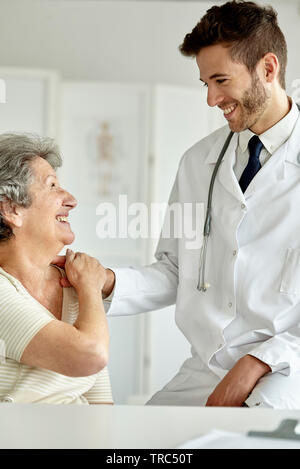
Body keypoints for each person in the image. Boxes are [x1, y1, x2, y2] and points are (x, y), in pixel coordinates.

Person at [88, 0, 300, 409]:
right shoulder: (197, 163)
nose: (211, 99)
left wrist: (260, 360)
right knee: (147, 436)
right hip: (207, 367)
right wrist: (108, 282)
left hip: (288, 368)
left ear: (268, 69)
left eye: (221, 80)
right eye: (206, 84)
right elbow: (174, 271)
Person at [0, 133, 113, 405]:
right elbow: (90, 355)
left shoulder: (73, 283)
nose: (71, 199)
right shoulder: (83, 285)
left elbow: (101, 401)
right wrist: (90, 287)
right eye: (52, 186)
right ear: (11, 209)